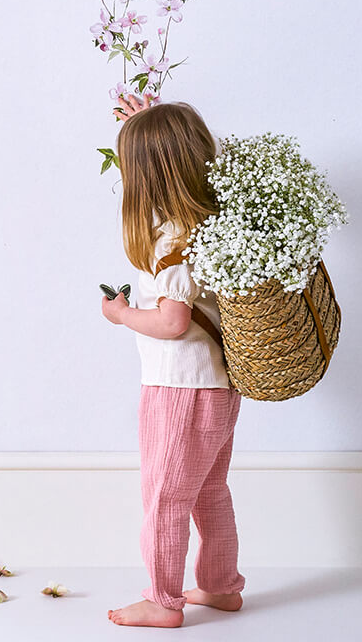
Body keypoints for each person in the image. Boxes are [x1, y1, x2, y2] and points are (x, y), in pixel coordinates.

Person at [102, 93, 246, 629]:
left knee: (164, 496)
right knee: (209, 490)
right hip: (217, 386)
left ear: (146, 174)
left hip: (178, 387)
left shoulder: (170, 241)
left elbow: (172, 321)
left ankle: (163, 601)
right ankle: (220, 586)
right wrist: (150, 121)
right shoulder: (206, 220)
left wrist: (120, 315)